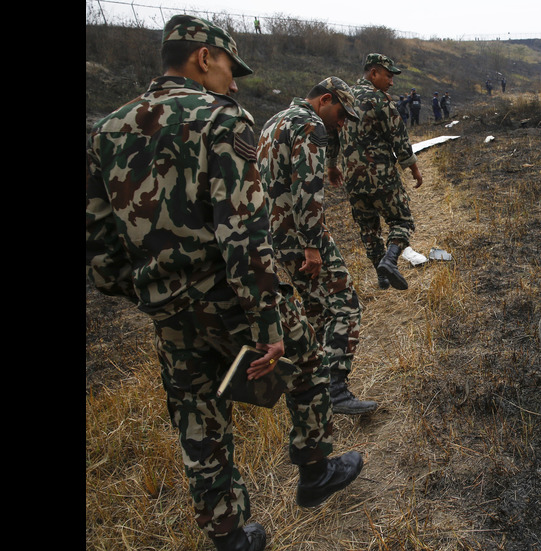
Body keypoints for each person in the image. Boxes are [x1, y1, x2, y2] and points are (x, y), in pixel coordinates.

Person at [85, 15, 362, 551]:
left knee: (197, 416)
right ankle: (314, 469)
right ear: (204, 57)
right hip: (231, 298)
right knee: (303, 357)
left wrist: (150, 292)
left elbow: (98, 247)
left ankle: (231, 536)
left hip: (167, 308)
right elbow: (244, 235)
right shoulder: (221, 118)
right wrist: (266, 325)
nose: (234, 81)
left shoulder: (106, 131)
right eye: (230, 66)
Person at [256, 76, 378, 415]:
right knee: (346, 305)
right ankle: (336, 390)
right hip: (302, 235)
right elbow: (307, 188)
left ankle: (315, 393)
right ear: (325, 100)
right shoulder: (309, 125)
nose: (341, 124)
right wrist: (312, 245)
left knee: (317, 311)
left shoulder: (273, 122)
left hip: (277, 235)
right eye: (341, 114)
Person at [340, 53, 423, 290]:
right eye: (388, 75)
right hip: (381, 177)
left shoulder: (342, 99)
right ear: (373, 73)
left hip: (352, 180)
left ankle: (382, 276)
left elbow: (333, 133)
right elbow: (399, 138)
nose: (392, 81)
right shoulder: (380, 100)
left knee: (368, 228)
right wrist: (414, 168)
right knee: (402, 219)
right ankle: (389, 260)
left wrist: (332, 166)